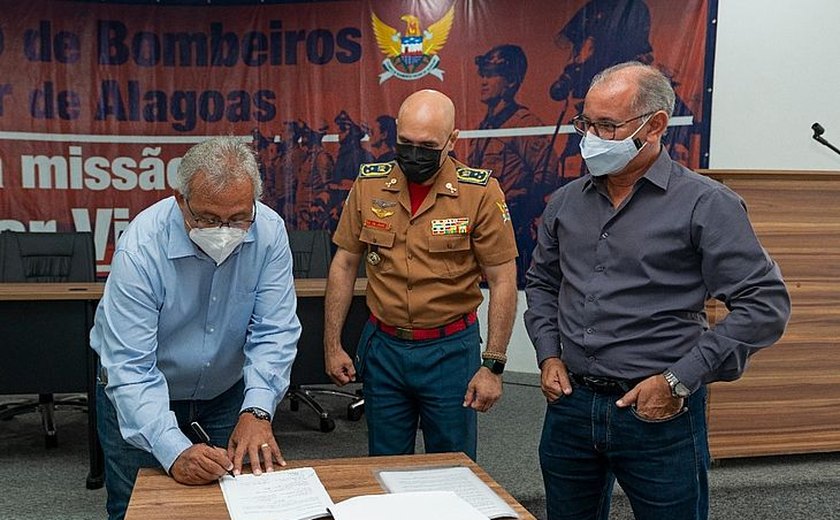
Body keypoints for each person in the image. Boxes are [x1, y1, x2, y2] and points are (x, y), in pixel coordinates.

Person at [524, 62, 790, 520]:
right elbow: (543, 283)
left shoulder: (706, 204)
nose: (591, 137)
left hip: (658, 410)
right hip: (571, 405)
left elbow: (764, 305)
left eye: (608, 126)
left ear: (656, 126)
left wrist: (679, 379)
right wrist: (548, 354)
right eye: (586, 123)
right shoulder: (566, 203)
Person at [91, 136, 301, 520]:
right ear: (180, 200)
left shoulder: (269, 232)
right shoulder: (141, 249)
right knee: (138, 508)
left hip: (224, 392)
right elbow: (131, 367)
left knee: (227, 505)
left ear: (254, 200)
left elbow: (274, 331)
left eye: (238, 217)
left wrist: (257, 410)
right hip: (140, 392)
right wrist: (172, 450)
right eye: (206, 218)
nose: (224, 230)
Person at [324, 89, 518, 460]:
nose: (414, 154)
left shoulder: (478, 193)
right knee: (385, 463)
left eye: (427, 145)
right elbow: (345, 263)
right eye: (405, 143)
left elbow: (503, 278)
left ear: (452, 140)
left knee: (452, 466)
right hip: (385, 349)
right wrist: (332, 346)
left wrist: (493, 363)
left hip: (449, 351)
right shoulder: (369, 185)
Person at [468, 44, 558, 287]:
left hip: (513, 231)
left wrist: (523, 207)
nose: (484, 81)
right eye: (483, 74)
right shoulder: (484, 127)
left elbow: (547, 175)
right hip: (481, 231)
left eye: (492, 75)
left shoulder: (524, 125)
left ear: (510, 82)